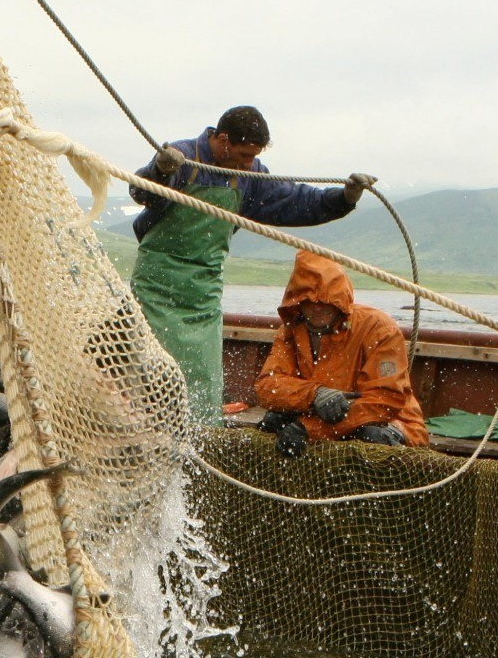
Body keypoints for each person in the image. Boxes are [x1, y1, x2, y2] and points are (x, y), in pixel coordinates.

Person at [129, 105, 376, 421]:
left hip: (204, 291)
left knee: (203, 377)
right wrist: (161, 171)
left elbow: (296, 201)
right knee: (154, 368)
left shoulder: (249, 177)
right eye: (245, 154)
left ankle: (200, 436)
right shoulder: (183, 157)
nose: (249, 163)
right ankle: (147, 428)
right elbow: (142, 191)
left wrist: (344, 198)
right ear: (222, 139)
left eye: (254, 156)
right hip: (156, 284)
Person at [254, 250, 429, 457]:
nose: (318, 307)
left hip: (388, 422)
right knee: (273, 422)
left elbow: (384, 400)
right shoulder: (291, 331)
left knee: (371, 437)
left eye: (327, 300)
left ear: (340, 300)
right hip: (318, 416)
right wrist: (314, 395)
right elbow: (267, 386)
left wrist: (308, 428)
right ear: (297, 302)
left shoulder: (380, 329)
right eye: (310, 300)